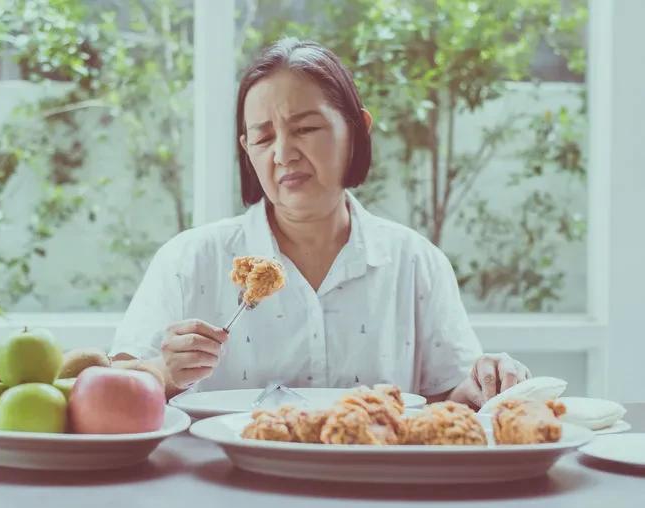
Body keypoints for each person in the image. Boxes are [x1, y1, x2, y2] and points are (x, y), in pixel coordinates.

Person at [110, 38, 530, 409]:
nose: (283, 154)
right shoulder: (188, 260)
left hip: (376, 488)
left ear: (357, 129)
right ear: (247, 150)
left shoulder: (417, 262)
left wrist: (485, 384)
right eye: (262, 138)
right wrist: (163, 373)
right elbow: (111, 389)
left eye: (306, 128)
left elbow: (446, 401)